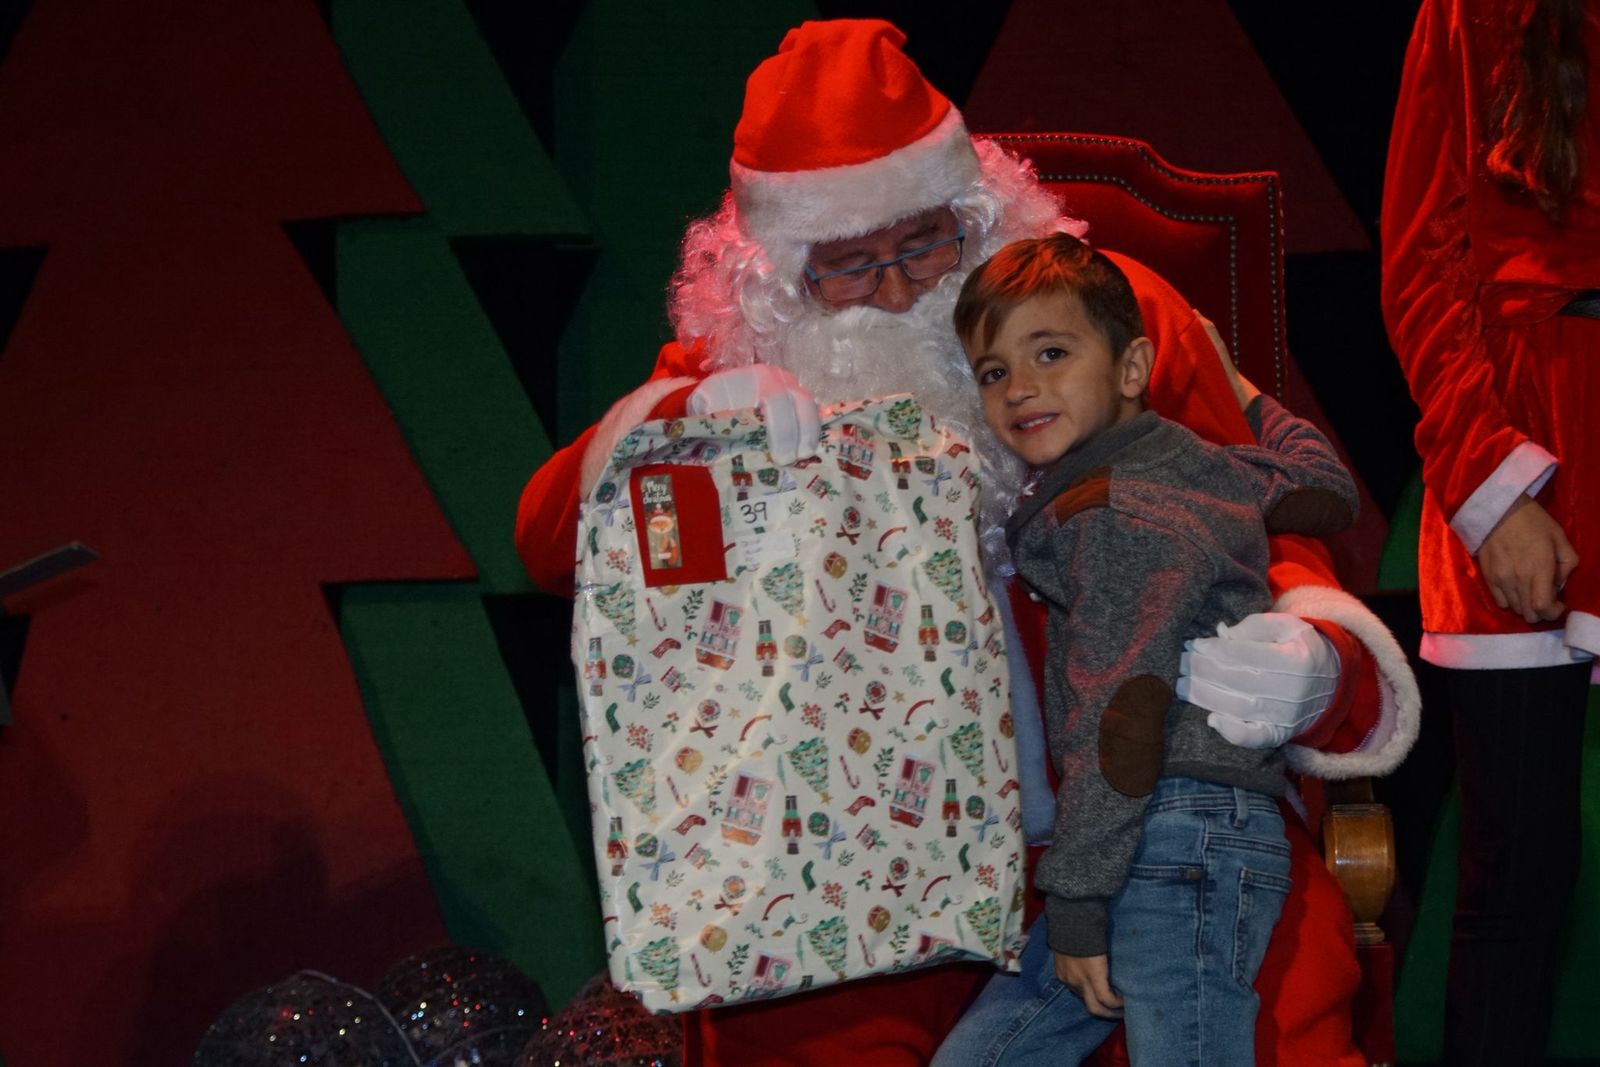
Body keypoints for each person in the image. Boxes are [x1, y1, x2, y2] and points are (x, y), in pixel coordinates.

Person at [518, 19, 1418, 1066]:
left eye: (926, 244)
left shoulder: (1102, 316)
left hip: (1148, 815)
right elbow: (549, 538)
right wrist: (684, 423)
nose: (900, 292)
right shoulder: (738, 360)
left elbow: (1267, 515)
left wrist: (1319, 657)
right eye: (851, 266)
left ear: (978, 212)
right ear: (776, 276)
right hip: (855, 859)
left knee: (1283, 1018)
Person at [933, 234, 1357, 1065]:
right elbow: (1326, 487)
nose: (1021, 387)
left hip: (1173, 832)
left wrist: (1080, 904)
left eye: (1051, 353)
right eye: (993, 371)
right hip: (1160, 830)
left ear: (1131, 369)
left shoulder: (1115, 514)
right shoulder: (1195, 463)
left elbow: (1120, 713)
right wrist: (1244, 392)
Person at [1381, 1, 1597, 1062]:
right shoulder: (1472, 12)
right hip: (1535, 439)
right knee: (1522, 867)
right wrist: (1490, 488)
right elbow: (1422, 259)